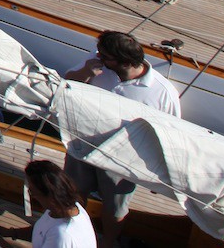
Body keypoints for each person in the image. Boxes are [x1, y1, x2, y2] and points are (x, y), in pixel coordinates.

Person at [63, 31, 180, 244]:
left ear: (124, 62)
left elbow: (170, 134)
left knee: (115, 207)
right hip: (83, 145)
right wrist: (87, 72)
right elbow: (67, 83)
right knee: (73, 194)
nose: (99, 57)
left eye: (105, 56)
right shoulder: (97, 64)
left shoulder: (162, 93)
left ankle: (108, 242)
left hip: (122, 160)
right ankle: (73, 233)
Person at [0, 161, 94, 248]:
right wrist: (6, 232)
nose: (31, 196)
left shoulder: (62, 236)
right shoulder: (65, 207)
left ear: (49, 195)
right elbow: (41, 231)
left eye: (32, 192)